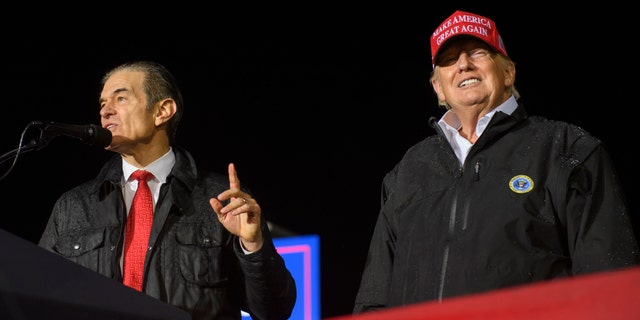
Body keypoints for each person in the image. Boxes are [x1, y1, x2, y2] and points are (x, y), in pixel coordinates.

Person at [353, 10, 640, 313]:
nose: (463, 64)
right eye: (449, 60)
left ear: (507, 72)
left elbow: (611, 285)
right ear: (438, 87)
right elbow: (375, 298)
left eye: (478, 52)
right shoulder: (408, 172)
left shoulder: (567, 150)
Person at [38, 60, 297, 320]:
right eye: (103, 104)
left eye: (121, 99)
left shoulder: (221, 199)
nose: (106, 111)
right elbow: (38, 297)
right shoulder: (73, 207)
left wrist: (252, 246)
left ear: (162, 111)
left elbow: (274, 311)